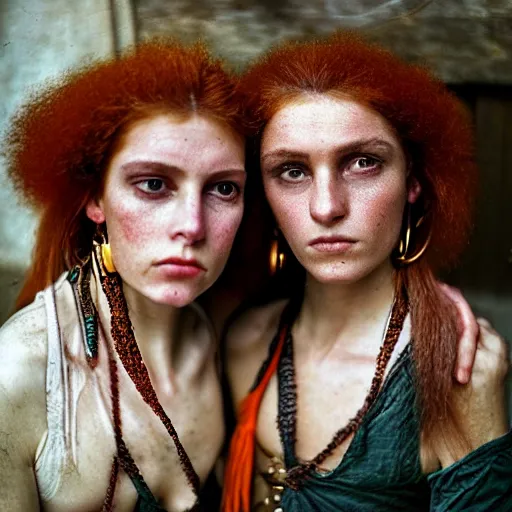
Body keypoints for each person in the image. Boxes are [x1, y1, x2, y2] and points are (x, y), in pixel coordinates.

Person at [223, 32, 511, 511]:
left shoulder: (453, 375)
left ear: (414, 181)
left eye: (362, 162)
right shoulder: (243, 339)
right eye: (292, 170)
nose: (326, 207)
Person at [0, 39, 250, 511]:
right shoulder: (17, 377)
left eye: (223, 188)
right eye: (154, 184)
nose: (192, 226)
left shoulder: (230, 341)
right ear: (95, 199)